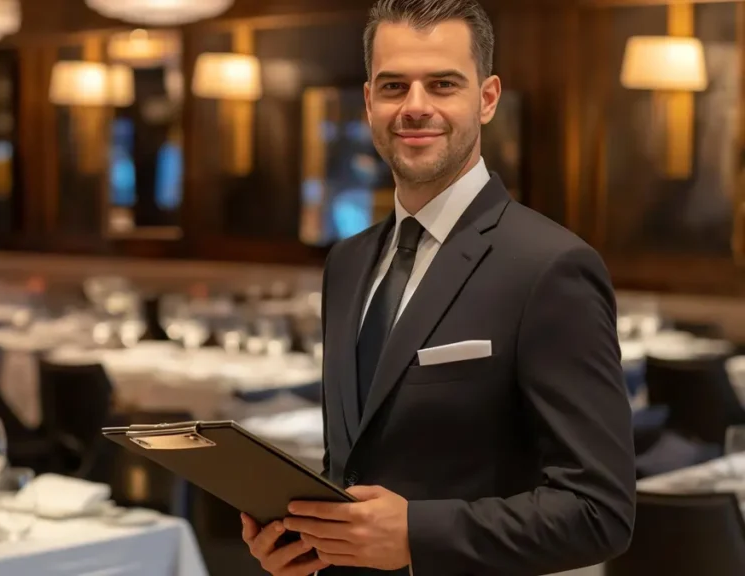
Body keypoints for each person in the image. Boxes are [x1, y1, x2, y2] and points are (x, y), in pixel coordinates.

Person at [241, 0, 636, 574]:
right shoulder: (347, 262)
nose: (416, 107)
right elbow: (352, 465)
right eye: (395, 85)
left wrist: (415, 536)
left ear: (488, 98)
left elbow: (601, 512)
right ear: (369, 100)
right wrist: (304, 536)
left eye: (443, 84)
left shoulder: (550, 267)